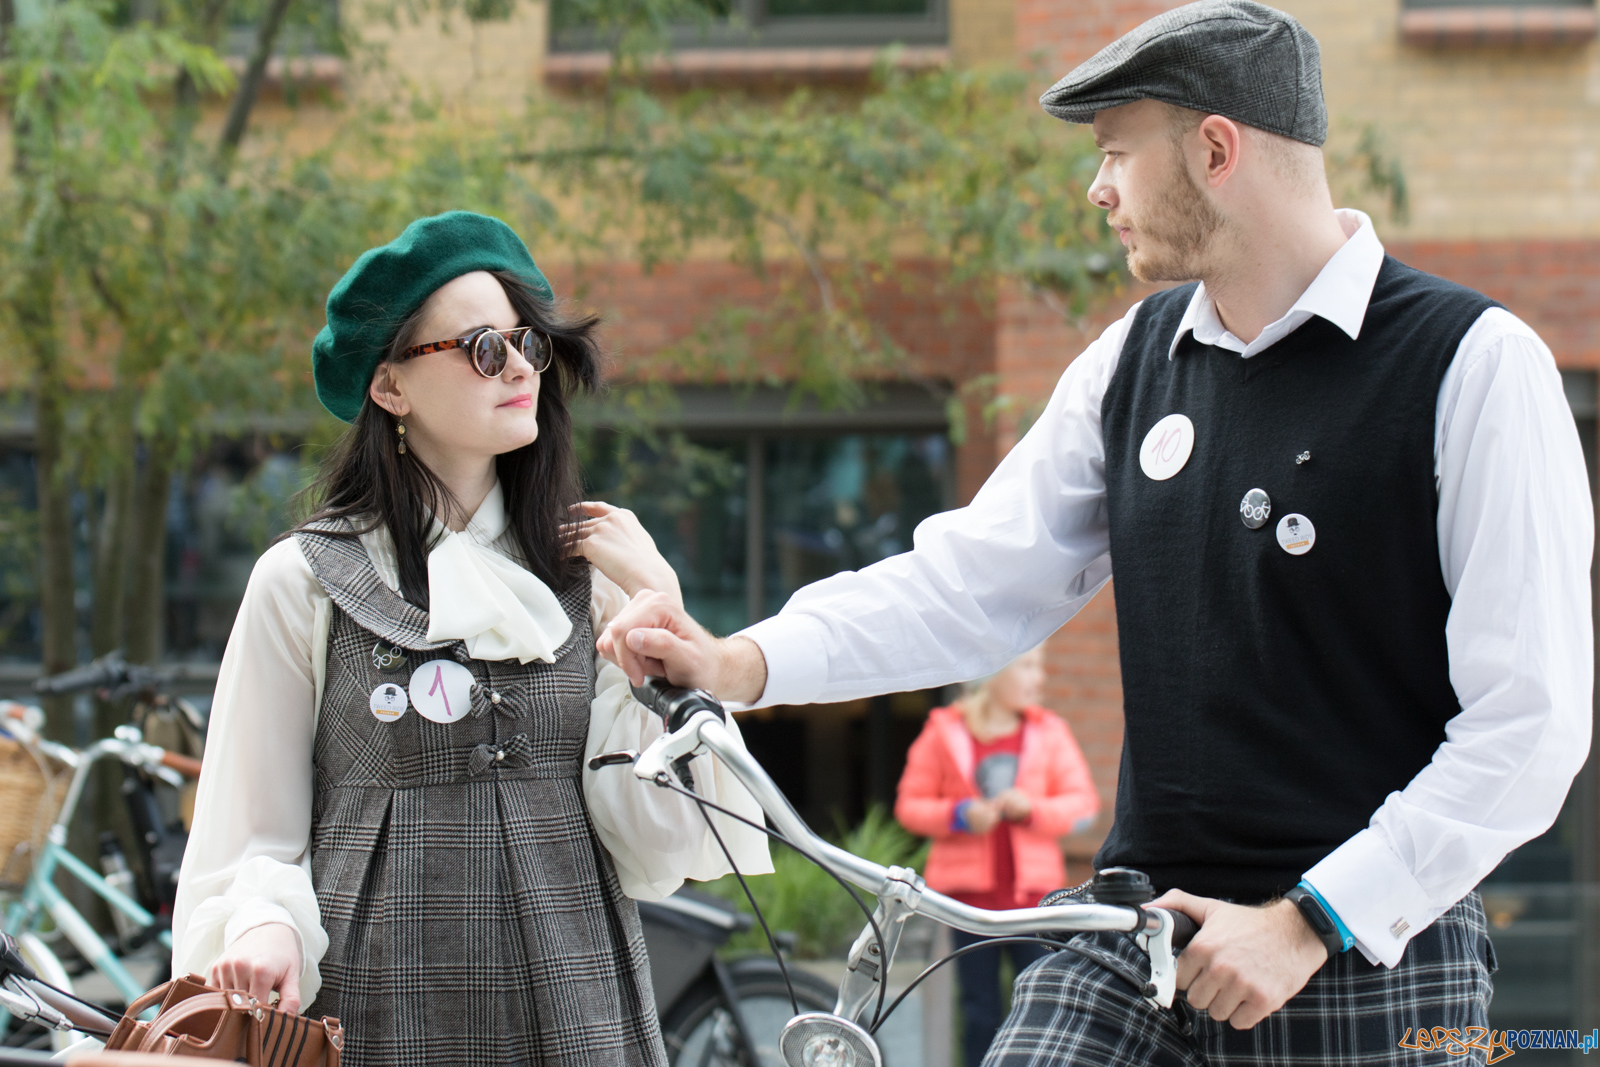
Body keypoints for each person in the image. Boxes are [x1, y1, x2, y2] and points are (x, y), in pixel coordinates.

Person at [594, 2, 1595, 1064]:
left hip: (1373, 950)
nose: (1097, 188)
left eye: (1118, 152)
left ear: (1215, 150)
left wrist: (1313, 917)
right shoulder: (1136, 357)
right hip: (1137, 932)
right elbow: (974, 581)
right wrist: (741, 659)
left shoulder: (1472, 363)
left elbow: (1527, 725)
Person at [171, 211, 768, 1067]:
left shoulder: (592, 574)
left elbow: (656, 842)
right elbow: (250, 830)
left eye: (525, 342)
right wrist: (263, 921)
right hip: (376, 1001)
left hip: (578, 994)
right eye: (483, 347)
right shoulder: (302, 581)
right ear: (390, 387)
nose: (520, 365)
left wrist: (660, 602)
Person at [894, 647, 1099, 1067]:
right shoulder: (942, 731)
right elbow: (909, 806)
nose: (1039, 679)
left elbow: (1084, 806)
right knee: (979, 1012)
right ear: (994, 671)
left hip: (1038, 905)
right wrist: (958, 815)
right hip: (967, 905)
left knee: (1043, 1011)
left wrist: (1033, 810)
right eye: (1027, 666)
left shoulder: (1051, 732)